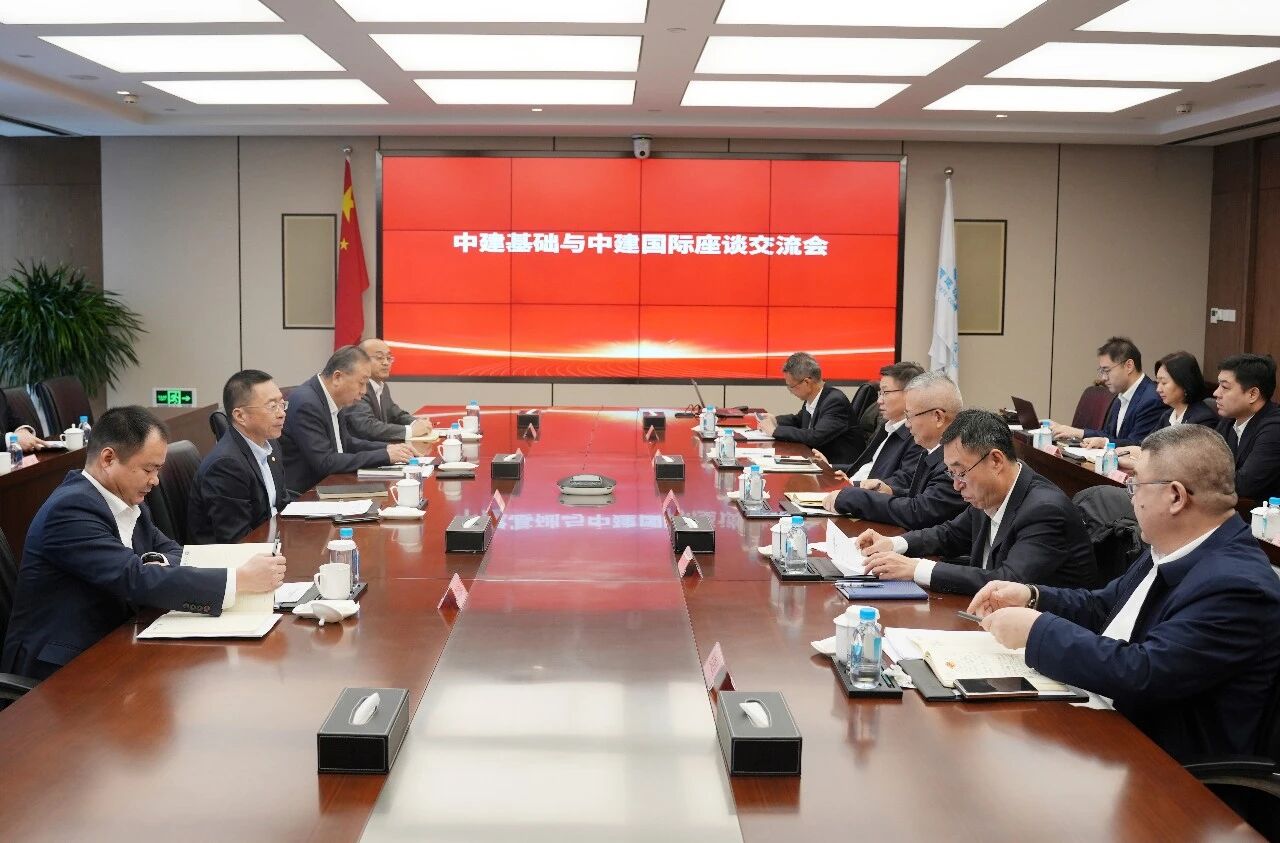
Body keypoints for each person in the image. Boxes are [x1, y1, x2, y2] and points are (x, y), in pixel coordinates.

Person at [970, 424, 1280, 763]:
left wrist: (1035, 631)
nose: (1130, 497)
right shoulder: (1172, 545)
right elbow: (1104, 606)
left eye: (1135, 485)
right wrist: (1032, 596)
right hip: (1115, 723)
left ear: (1176, 497)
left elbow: (1144, 672)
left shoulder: (1237, 586)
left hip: (1171, 768)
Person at [0, 407, 285, 679]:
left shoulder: (125, 498)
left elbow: (171, 551)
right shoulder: (70, 510)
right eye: (149, 469)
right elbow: (133, 578)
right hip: (61, 668)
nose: (155, 481)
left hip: (115, 643)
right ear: (108, 459)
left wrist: (156, 564)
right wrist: (237, 580)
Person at [856, 409, 1097, 595]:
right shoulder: (990, 492)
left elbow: (1008, 581)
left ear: (996, 461)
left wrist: (916, 569)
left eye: (960, 472)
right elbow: (949, 534)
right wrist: (893, 544)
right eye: (951, 473)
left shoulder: (1045, 510)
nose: (956, 485)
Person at [821, 372, 966, 529]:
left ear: (938, 417)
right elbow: (921, 497)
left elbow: (920, 512)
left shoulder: (957, 461)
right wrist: (890, 491)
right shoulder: (932, 451)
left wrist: (855, 498)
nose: (907, 424)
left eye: (909, 416)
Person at [280, 345, 415, 494]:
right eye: (362, 383)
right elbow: (325, 462)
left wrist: (387, 448)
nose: (364, 391)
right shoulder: (307, 403)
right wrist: (384, 455)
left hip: (331, 484)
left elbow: (346, 443)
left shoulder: (330, 396)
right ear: (338, 377)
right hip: (307, 494)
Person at [187, 370, 291, 544]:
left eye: (282, 404)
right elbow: (237, 539)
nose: (282, 413)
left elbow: (281, 504)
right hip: (239, 555)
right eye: (272, 406)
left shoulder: (271, 444)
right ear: (240, 416)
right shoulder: (226, 465)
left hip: (273, 540)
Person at [813, 361, 924, 484]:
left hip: (861, 493)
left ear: (909, 394)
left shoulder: (918, 437)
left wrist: (853, 486)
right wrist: (829, 466)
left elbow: (900, 484)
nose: (879, 401)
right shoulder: (886, 427)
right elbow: (869, 467)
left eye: (885, 393)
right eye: (880, 393)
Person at [1048, 336, 1163, 447]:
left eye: (1107, 370)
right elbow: (1108, 435)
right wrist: (1074, 432)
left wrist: (1104, 443)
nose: (1103, 378)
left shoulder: (1152, 399)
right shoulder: (1120, 395)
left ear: (1129, 366)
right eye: (1102, 371)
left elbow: (1138, 445)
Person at [756, 352, 859, 465]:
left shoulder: (835, 401)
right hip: (816, 460)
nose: (790, 392)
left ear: (806, 382)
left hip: (837, 468)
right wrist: (775, 420)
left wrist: (775, 431)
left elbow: (816, 436)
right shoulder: (814, 397)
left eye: (791, 386)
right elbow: (798, 420)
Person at [1117, 351, 1215, 469]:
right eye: (1158, 382)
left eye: (1164, 383)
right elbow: (1146, 444)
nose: (1158, 389)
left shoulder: (1203, 419)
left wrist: (1136, 464)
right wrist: (1117, 449)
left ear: (1184, 383)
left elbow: (1184, 464)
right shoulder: (1167, 415)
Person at [1212, 353, 1280, 501]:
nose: (1216, 393)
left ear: (1253, 394)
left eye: (1224, 387)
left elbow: (1245, 484)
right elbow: (1204, 459)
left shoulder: (1275, 428)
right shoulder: (1229, 420)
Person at [341, 338, 432, 443]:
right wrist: (411, 431)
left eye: (389, 358)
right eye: (379, 358)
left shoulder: (382, 387)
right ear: (361, 361)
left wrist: (417, 423)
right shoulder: (357, 387)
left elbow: (397, 415)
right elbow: (367, 426)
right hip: (361, 450)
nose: (386, 363)